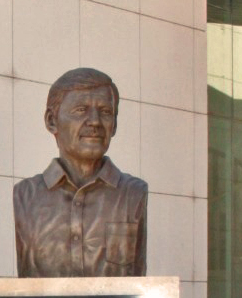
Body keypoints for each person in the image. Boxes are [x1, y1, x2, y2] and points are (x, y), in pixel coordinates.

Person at [13, 67, 147, 278]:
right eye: (81, 110)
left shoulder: (134, 193)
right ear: (51, 120)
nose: (94, 121)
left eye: (105, 112)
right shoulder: (25, 196)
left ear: (114, 125)